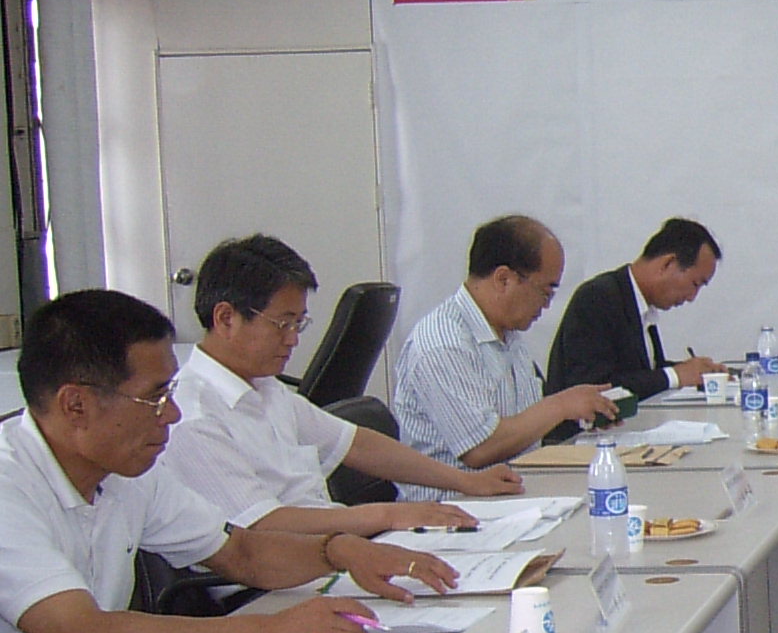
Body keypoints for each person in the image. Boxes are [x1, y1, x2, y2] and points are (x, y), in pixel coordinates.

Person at [0, 291, 445, 633]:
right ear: (75, 405)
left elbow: (240, 553)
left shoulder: (125, 472)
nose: (172, 414)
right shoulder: (9, 486)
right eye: (155, 398)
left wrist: (337, 551)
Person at [163, 235, 522, 538]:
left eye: (299, 324)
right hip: (273, 582)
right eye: (283, 324)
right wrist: (388, 516)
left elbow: (357, 444)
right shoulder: (192, 417)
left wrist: (464, 482)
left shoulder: (265, 388)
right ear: (226, 318)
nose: (293, 339)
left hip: (329, 554)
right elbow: (262, 526)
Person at [395, 216, 619, 495]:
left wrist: (581, 413)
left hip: (512, 493)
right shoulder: (443, 343)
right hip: (455, 507)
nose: (546, 306)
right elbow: (480, 448)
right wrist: (561, 406)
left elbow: (524, 429)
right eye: (545, 292)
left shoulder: (507, 334)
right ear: (503, 279)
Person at [544, 217, 727, 402]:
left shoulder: (640, 304)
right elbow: (595, 386)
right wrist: (675, 375)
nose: (692, 297)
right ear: (668, 264)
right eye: (695, 284)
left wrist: (693, 371)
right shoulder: (597, 298)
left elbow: (643, 372)